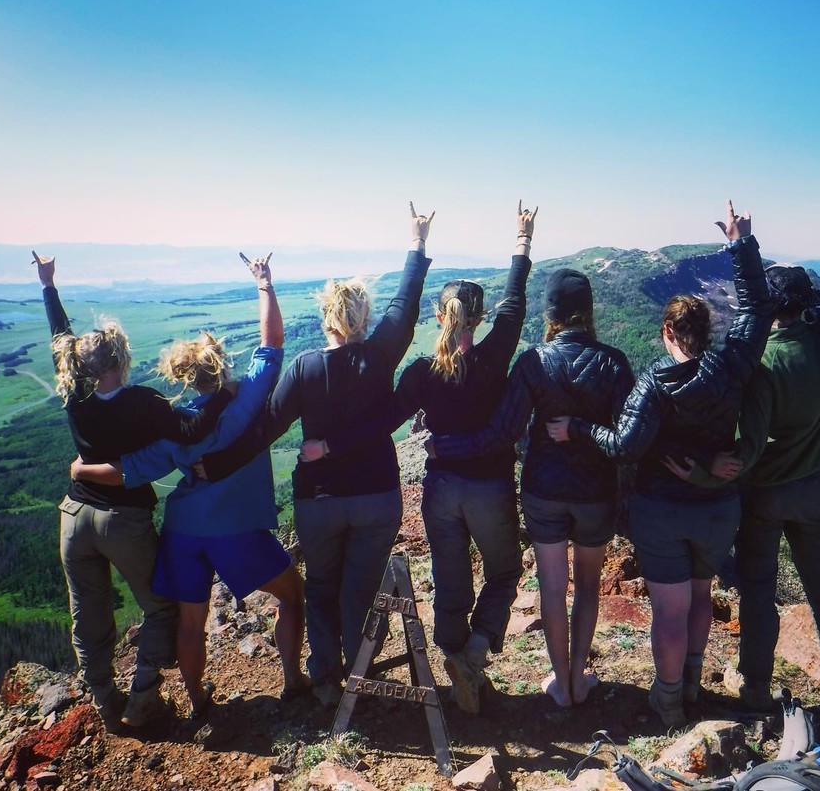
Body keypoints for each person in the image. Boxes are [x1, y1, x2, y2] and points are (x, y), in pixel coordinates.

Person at [300, 202, 537, 714]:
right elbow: (515, 304)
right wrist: (522, 240)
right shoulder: (496, 356)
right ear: (479, 317)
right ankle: (472, 656)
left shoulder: (421, 374)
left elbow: (379, 422)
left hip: (442, 490)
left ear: (438, 316)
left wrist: (329, 446)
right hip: (490, 486)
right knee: (502, 572)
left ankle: (457, 674)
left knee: (451, 584)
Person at [196, 204, 434, 706]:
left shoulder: (305, 369)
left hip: (320, 501)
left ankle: (327, 681)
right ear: (363, 318)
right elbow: (407, 301)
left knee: (322, 587)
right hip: (376, 497)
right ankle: (361, 672)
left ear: (326, 317)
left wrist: (211, 465)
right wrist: (417, 240)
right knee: (363, 589)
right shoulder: (380, 353)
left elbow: (263, 430)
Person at [546, 202, 772, 727]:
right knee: (700, 596)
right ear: (707, 332)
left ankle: (668, 699)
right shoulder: (734, 363)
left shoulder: (654, 384)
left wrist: (576, 429)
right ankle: (691, 684)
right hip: (718, 509)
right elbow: (758, 309)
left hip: (662, 512)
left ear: (669, 334)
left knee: (669, 610)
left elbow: (624, 444)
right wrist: (742, 244)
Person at [682, 154, 820, 710]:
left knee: (758, 593)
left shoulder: (759, 363)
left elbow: (748, 447)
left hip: (764, 495)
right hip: (814, 489)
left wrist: (703, 471)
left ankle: (753, 686)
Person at [70, 254, 309, 717]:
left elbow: (128, 470)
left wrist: (80, 471)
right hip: (237, 527)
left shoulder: (173, 427)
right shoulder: (245, 400)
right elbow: (273, 342)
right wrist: (264, 284)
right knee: (292, 595)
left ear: (182, 376)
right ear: (219, 365)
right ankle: (293, 678)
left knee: (190, 621)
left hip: (183, 530)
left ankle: (198, 699)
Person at [33, 251, 233, 731]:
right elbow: (192, 429)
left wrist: (48, 288)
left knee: (89, 618)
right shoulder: (145, 403)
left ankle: (104, 700)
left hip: (74, 516)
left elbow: (60, 340)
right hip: (123, 521)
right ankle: (143, 696)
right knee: (161, 607)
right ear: (121, 359)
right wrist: (225, 389)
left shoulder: (73, 394)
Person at [428, 267, 635, 709]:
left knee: (553, 589)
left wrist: (446, 444)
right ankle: (579, 678)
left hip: (544, 491)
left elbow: (502, 433)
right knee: (589, 587)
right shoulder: (614, 362)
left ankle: (560, 684)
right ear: (588, 311)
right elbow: (627, 438)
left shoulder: (534, 361)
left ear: (552, 314)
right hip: (596, 493)